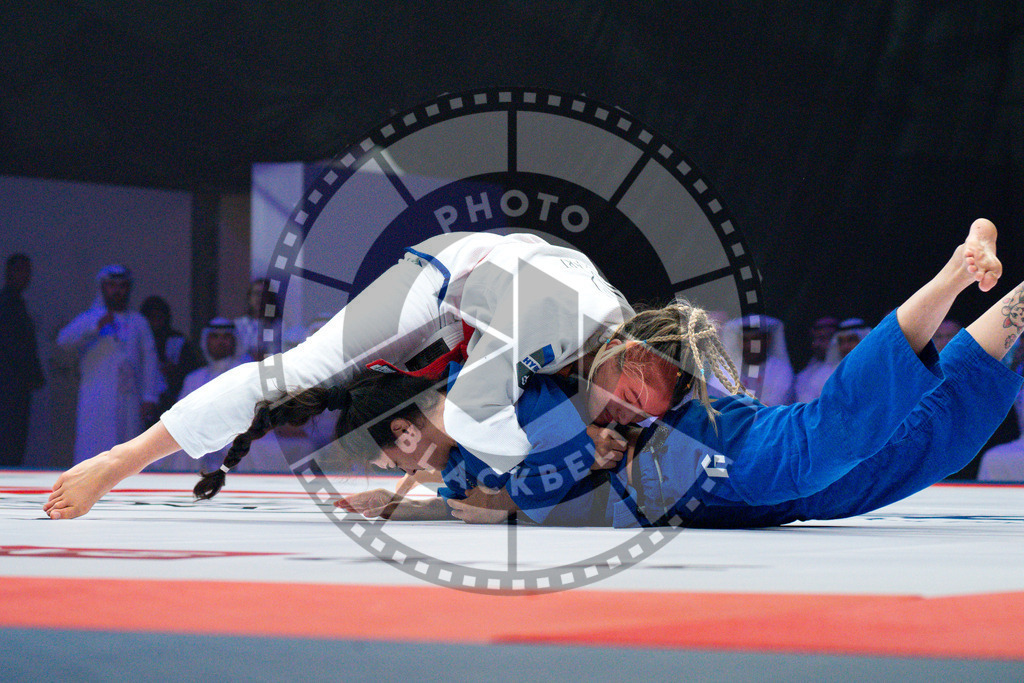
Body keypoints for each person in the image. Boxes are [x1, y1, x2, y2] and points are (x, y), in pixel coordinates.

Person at [329, 220, 1019, 526]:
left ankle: (955, 276)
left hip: (710, 452)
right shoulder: (461, 462)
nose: (400, 460)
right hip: (760, 501)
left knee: (823, 440)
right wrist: (415, 500)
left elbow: (540, 492)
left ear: (416, 415)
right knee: (937, 438)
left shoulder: (512, 390)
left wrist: (572, 463)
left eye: (395, 444)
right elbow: (493, 492)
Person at [45, 232, 701, 519]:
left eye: (642, 413)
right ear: (634, 354)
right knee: (299, 374)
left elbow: (472, 427)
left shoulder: (614, 339)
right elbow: (470, 417)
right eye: (636, 397)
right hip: (443, 283)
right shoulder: (568, 320)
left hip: (495, 312)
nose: (628, 413)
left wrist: (412, 501)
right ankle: (118, 460)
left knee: (515, 423)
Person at [56, 265, 162, 464]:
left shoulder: (139, 322)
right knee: (93, 446)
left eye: (122, 286)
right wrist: (95, 327)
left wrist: (150, 396)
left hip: (130, 397)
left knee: (129, 450)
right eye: (111, 285)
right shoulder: (89, 318)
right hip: (97, 396)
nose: (117, 291)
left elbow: (150, 360)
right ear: (103, 288)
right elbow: (63, 341)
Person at [147, 318, 246, 472]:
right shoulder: (194, 378)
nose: (220, 342)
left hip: (236, 439)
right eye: (215, 337)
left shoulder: (245, 372)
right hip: (200, 441)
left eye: (226, 337)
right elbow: (179, 418)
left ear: (235, 341)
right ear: (206, 341)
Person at [0, 254, 46, 467]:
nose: (24, 275)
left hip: (18, 386)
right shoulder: (6, 303)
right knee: (8, 439)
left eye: (27, 271)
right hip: (8, 385)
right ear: (8, 272)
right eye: (19, 270)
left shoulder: (17, 303)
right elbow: (13, 346)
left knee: (15, 440)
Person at [140, 295, 203, 420]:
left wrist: (175, 371)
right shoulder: (139, 339)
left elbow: (190, 369)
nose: (157, 322)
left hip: (170, 401)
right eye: (152, 318)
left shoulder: (177, 340)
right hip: (142, 400)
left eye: (160, 317)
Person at [718, 315, 794, 405]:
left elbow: (773, 408)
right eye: (745, 340)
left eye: (755, 339)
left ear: (767, 340)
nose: (750, 346)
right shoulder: (726, 371)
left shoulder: (780, 371)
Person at [792, 316, 838, 402]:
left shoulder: (839, 370)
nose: (816, 344)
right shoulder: (806, 372)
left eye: (822, 339)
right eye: (814, 339)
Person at [234, 278, 280, 362]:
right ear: (249, 297)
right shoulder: (238, 325)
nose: (260, 298)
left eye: (264, 294)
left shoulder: (278, 326)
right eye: (256, 294)